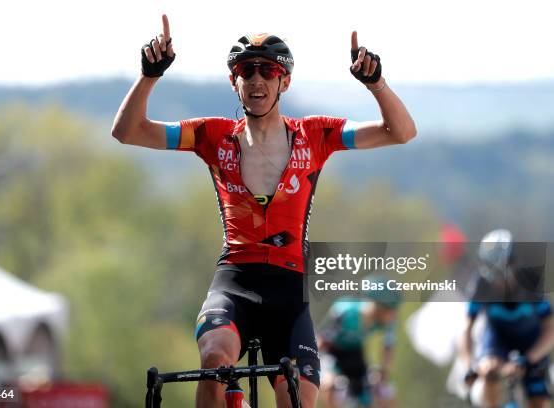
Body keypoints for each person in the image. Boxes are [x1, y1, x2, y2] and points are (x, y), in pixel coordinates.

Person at [111, 14, 416, 408]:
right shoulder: (212, 135)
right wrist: (149, 75)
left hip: (289, 295)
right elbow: (128, 131)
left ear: (283, 81)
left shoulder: (315, 135)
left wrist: (376, 84)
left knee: (298, 399)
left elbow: (402, 132)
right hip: (234, 283)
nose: (257, 79)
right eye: (246, 70)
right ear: (234, 81)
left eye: (268, 71)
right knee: (214, 361)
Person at [460, 229, 554, 408]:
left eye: (500, 273)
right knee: (489, 371)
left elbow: (550, 328)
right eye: (491, 274)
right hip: (496, 338)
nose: (496, 282)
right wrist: (469, 366)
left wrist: (528, 359)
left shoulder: (531, 284)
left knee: (539, 401)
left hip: (531, 341)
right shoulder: (480, 285)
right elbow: (466, 329)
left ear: (513, 264)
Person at [317, 276, 401, 407]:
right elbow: (322, 341)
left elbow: (388, 347)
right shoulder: (345, 311)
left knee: (381, 393)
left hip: (355, 353)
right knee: (329, 385)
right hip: (332, 352)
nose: (393, 315)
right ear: (378, 306)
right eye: (389, 310)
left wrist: (383, 373)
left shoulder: (387, 320)